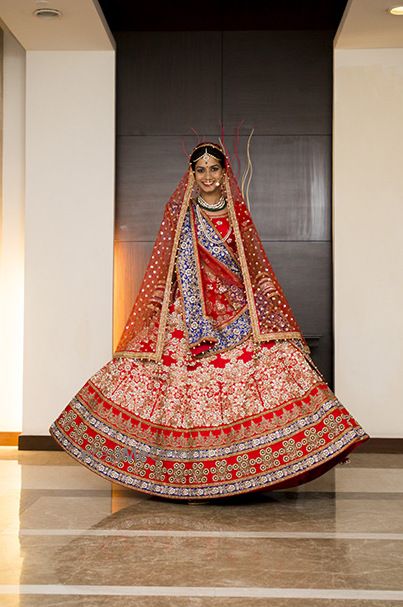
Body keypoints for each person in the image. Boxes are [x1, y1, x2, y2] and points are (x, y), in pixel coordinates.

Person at [49, 142, 369, 501]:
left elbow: (251, 259)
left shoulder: (237, 212)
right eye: (200, 170)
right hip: (190, 312)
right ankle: (185, 475)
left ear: (224, 172)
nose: (207, 177)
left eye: (213, 169)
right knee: (165, 378)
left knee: (275, 361)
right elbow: (165, 259)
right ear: (191, 174)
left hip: (235, 306)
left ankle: (252, 466)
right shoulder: (180, 212)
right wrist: (159, 294)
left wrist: (264, 283)